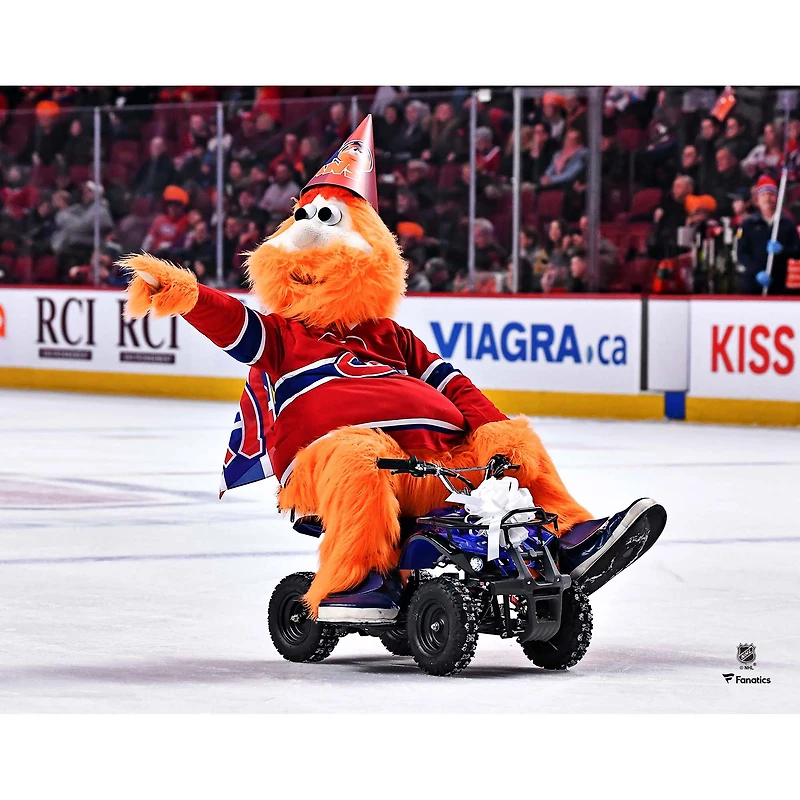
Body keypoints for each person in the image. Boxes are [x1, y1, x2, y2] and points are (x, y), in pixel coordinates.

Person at [736, 175, 800, 295]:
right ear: (757, 199)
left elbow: (797, 251)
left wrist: (783, 250)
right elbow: (742, 254)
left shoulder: (786, 224)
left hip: (779, 284)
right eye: (763, 194)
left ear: (777, 198)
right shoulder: (748, 224)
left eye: (771, 194)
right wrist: (756, 272)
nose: (767, 198)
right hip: (752, 284)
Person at [51, 181, 113, 278]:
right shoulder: (82, 208)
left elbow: (82, 226)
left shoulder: (101, 210)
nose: (85, 193)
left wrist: (66, 220)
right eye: (85, 191)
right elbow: (60, 217)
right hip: (74, 247)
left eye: (89, 191)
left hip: (88, 249)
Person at [648, 175, 693, 259]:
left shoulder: (694, 202)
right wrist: (658, 210)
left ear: (689, 189)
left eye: (679, 186)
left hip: (682, 241)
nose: (674, 189)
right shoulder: (667, 200)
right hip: (664, 241)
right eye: (674, 186)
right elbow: (655, 210)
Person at [141, 185, 190, 258]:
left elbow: (183, 243)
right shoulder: (160, 219)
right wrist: (144, 253)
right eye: (171, 204)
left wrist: (169, 246)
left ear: (182, 207)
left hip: (171, 257)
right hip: (154, 255)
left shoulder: (185, 221)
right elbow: (150, 237)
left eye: (177, 205)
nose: (173, 208)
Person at [708, 147, 749, 216]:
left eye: (722, 158)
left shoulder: (744, 179)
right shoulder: (714, 182)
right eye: (717, 160)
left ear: (733, 160)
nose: (719, 162)